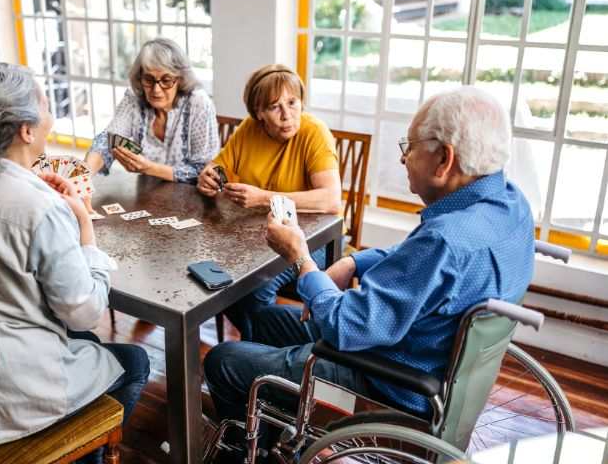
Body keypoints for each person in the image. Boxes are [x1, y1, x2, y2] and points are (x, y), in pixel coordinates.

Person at [204, 87, 535, 451]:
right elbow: (417, 258)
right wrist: (352, 260)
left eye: (408, 148)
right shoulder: (508, 202)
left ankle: (255, 446)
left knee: (223, 360)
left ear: (444, 159)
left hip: (382, 385)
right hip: (427, 360)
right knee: (265, 320)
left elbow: (346, 327)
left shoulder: (445, 240)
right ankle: (271, 420)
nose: (403, 158)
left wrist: (302, 259)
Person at [0, 63, 149, 460]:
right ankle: (78, 453)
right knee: (134, 360)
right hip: (4, 394)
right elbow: (83, 311)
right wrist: (83, 227)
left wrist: (34, 192)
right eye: (46, 107)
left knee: (88, 347)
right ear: (26, 130)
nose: (50, 117)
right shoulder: (39, 208)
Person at [197, 64, 342, 340]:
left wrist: (264, 198)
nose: (287, 115)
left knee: (253, 287)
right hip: (256, 236)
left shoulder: (314, 132)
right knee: (218, 279)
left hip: (316, 238)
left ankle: (254, 353)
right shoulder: (249, 129)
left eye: (292, 103)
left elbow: (331, 200)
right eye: (275, 107)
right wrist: (209, 176)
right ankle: (258, 349)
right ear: (259, 113)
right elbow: (219, 167)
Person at [85, 37, 219, 183]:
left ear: (180, 80)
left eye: (166, 80)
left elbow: (205, 171)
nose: (156, 90)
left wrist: (149, 168)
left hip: (191, 196)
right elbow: (108, 140)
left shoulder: (199, 103)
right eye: (148, 79)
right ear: (140, 78)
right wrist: (82, 177)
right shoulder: (133, 98)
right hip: (147, 192)